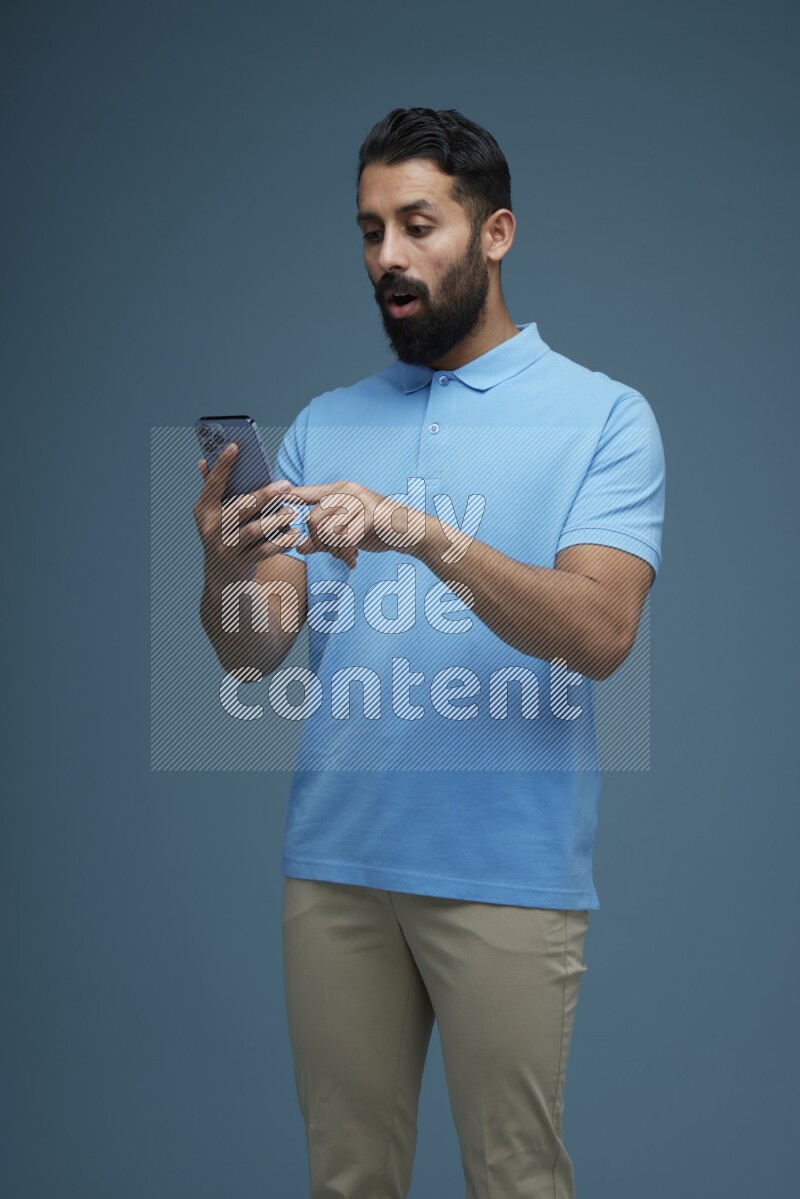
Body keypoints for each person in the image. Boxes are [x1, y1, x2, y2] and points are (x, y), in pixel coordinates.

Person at [193, 107, 665, 1198]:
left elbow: (599, 633)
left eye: (417, 225)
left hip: (504, 867)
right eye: (369, 231)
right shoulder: (325, 420)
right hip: (334, 865)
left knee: (515, 1180)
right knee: (346, 1178)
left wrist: (422, 531)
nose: (388, 259)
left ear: (494, 233)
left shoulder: (602, 416)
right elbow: (251, 653)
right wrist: (223, 564)